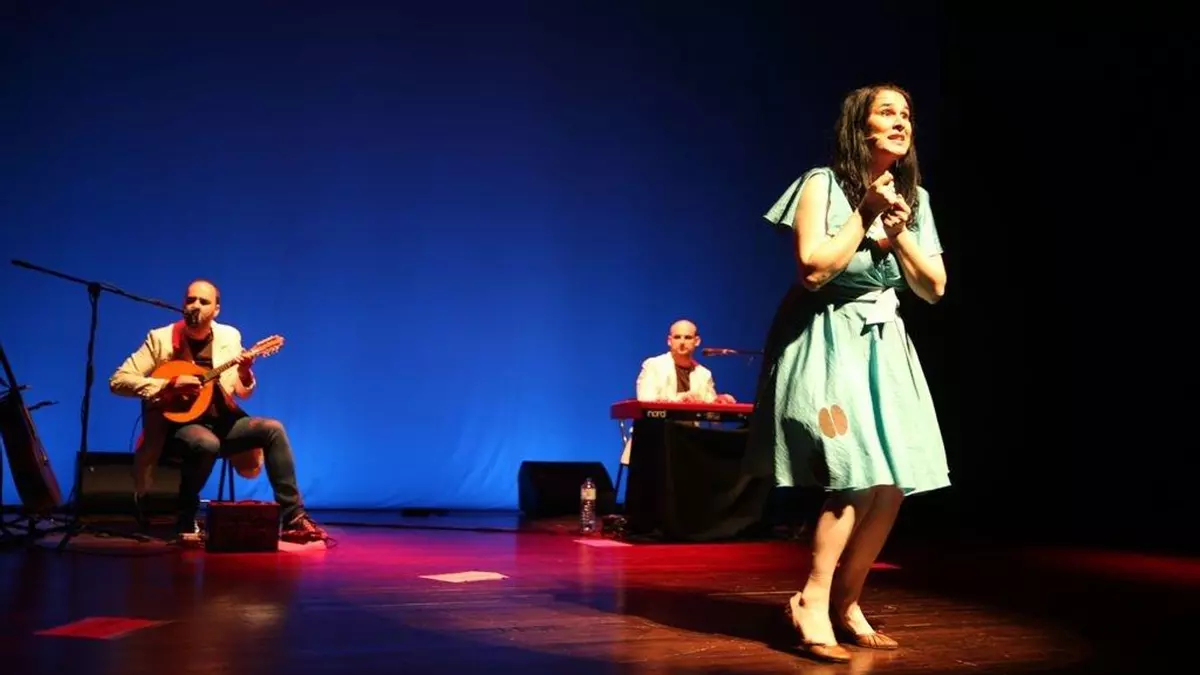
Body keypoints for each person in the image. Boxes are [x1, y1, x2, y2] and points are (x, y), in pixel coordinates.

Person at [746, 84, 949, 662]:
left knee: (893, 483)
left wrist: (900, 230)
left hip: (885, 345)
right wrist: (865, 214)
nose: (901, 122)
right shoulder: (822, 184)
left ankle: (848, 600)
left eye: (907, 114)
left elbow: (933, 288)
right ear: (860, 127)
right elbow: (814, 270)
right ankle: (810, 600)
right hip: (827, 337)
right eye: (887, 113)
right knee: (854, 472)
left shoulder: (916, 198)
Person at [109, 279, 330, 545]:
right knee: (206, 443)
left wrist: (245, 371)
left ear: (216, 310)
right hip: (178, 429)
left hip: (222, 423)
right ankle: (185, 515)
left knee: (273, 429)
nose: (195, 306)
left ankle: (293, 517)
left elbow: (242, 391)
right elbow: (118, 381)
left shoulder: (229, 337)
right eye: (190, 300)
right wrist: (168, 384)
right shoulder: (161, 339)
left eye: (204, 302)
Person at [635, 319, 736, 404]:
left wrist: (719, 400)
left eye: (688, 337)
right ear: (669, 341)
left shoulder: (704, 374)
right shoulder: (653, 365)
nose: (682, 342)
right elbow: (646, 399)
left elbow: (710, 406)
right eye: (677, 337)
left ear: (697, 341)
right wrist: (681, 399)